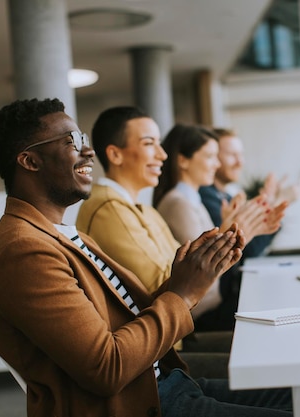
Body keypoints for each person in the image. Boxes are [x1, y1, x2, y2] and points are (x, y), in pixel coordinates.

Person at [0, 98, 300, 417]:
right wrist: (183, 293)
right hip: (138, 402)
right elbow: (106, 367)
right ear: (29, 161)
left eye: (85, 140)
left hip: (161, 382)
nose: (87, 151)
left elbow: (129, 314)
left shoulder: (63, 233)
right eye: (72, 141)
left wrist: (193, 273)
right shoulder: (24, 251)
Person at [75, 106, 231, 356]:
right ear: (115, 155)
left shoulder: (142, 209)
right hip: (155, 357)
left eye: (159, 143)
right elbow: (169, 286)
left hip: (170, 342)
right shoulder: (108, 208)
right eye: (149, 144)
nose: (162, 155)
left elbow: (183, 272)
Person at [152, 124, 288, 330]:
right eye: (209, 157)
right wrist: (234, 232)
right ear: (183, 161)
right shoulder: (178, 204)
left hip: (210, 305)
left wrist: (241, 230)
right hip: (202, 314)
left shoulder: (191, 201)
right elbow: (204, 270)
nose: (216, 165)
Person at [199, 127, 300, 258]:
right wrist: (278, 202)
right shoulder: (206, 196)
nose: (240, 162)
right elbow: (248, 250)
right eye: (232, 155)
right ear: (214, 156)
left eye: (241, 155)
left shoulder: (228, 196)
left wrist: (270, 201)